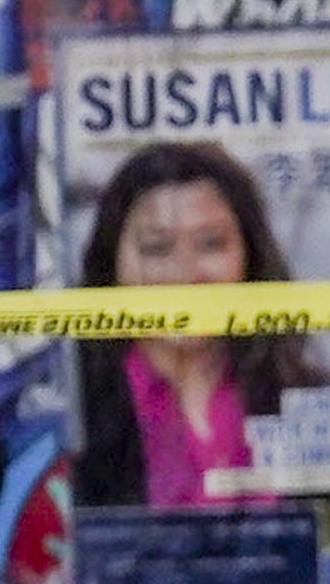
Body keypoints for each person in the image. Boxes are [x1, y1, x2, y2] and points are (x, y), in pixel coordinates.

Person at [69, 134, 314, 511]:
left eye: (211, 244)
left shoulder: (306, 395)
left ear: (250, 259)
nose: (185, 273)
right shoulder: (70, 410)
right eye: (156, 247)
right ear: (110, 265)